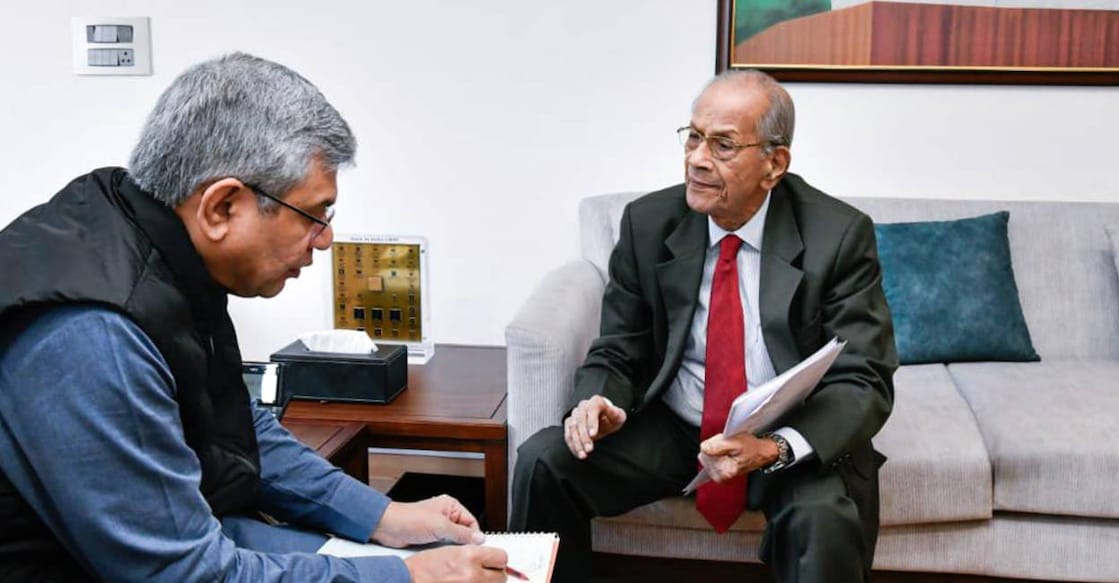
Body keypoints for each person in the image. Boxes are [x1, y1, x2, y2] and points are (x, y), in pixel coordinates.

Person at [0, 53, 508, 582]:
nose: (326, 239)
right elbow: (189, 575)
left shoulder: (154, 238)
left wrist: (384, 516)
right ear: (222, 207)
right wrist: (412, 577)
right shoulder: (96, 335)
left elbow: (236, 428)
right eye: (315, 215)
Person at [510, 69, 897, 583]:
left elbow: (864, 378)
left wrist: (774, 448)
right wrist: (599, 400)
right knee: (543, 461)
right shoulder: (648, 224)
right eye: (693, 136)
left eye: (723, 145)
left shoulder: (838, 236)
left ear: (774, 163)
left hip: (783, 427)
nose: (696, 158)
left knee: (823, 519)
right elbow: (619, 348)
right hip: (676, 425)